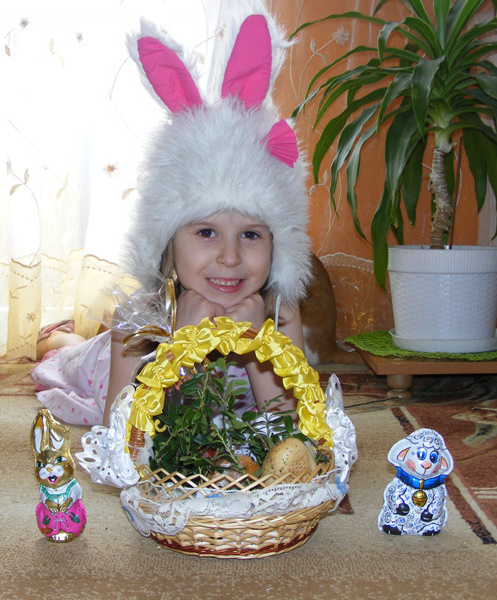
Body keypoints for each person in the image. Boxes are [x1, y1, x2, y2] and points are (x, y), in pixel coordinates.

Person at [32, 10, 312, 428]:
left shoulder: (281, 314)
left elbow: (293, 434)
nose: (230, 257)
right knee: (63, 356)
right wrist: (181, 347)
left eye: (251, 234)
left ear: (277, 246)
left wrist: (258, 348)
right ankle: (57, 334)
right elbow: (126, 439)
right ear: (168, 243)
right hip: (107, 365)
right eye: (206, 232)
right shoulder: (137, 322)